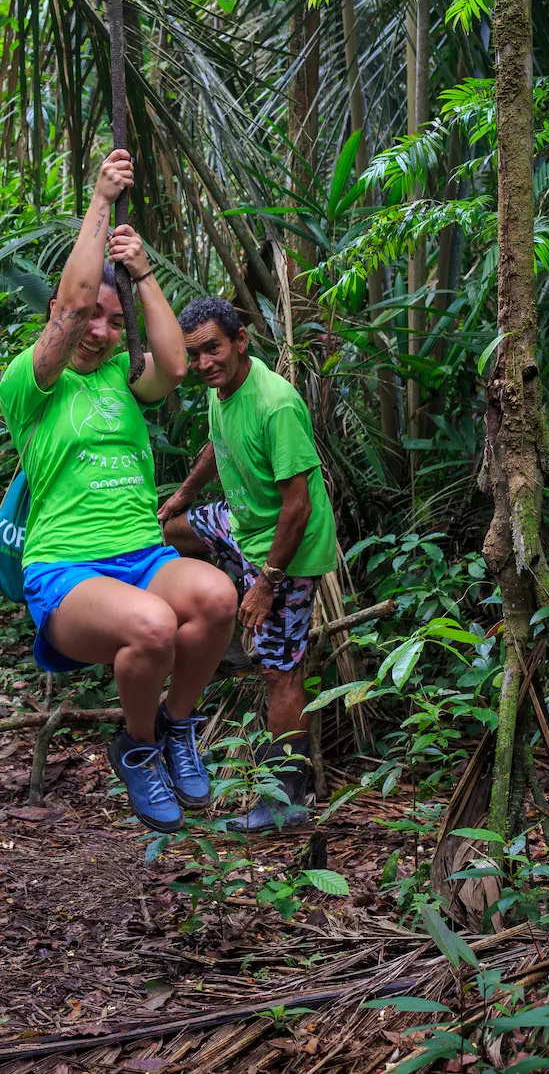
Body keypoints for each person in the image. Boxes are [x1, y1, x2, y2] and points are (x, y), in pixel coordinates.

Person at [0, 150, 237, 834]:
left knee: (216, 598)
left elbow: (173, 363)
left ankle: (176, 729)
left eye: (112, 320)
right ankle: (135, 749)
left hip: (141, 556)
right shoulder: (33, 382)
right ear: (59, 315)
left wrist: (144, 272)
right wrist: (101, 202)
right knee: (152, 626)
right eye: (89, 318)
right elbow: (72, 308)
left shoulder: (123, 381)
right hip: (67, 568)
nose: (98, 331)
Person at [158, 297, 338, 832]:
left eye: (213, 348)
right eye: (194, 354)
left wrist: (265, 585)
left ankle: (286, 803)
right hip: (243, 524)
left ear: (240, 341)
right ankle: (221, 628)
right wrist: (184, 497)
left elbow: (299, 505)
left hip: (288, 548)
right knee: (166, 533)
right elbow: (217, 445)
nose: (204, 362)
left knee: (281, 672)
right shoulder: (223, 389)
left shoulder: (275, 403)